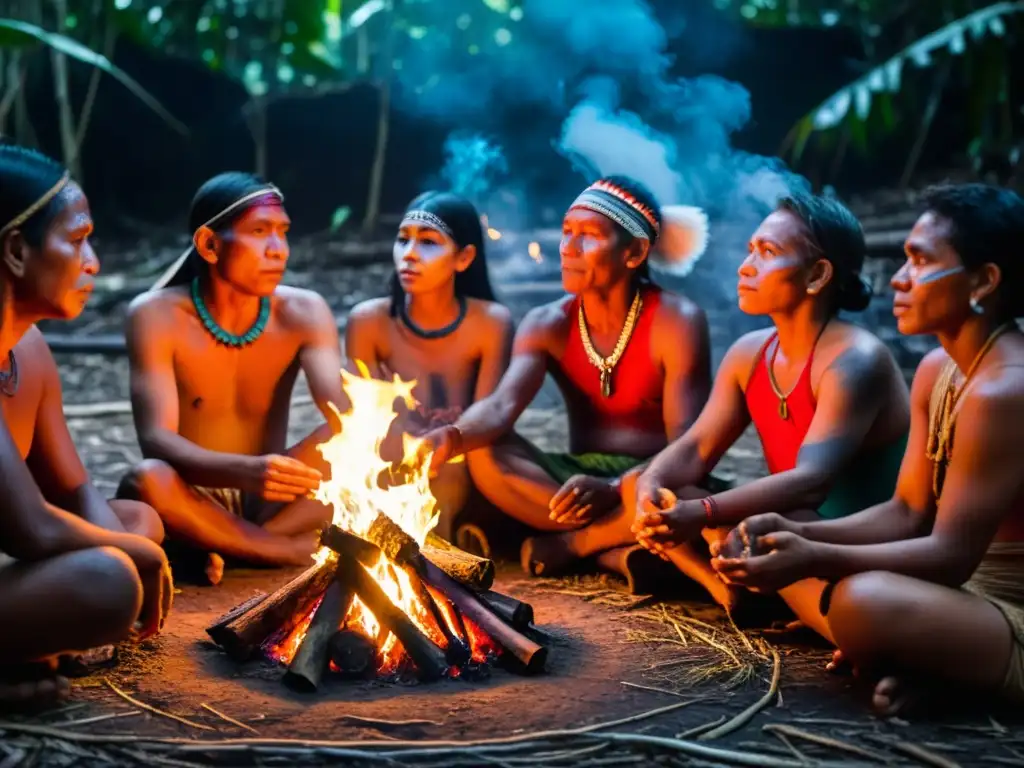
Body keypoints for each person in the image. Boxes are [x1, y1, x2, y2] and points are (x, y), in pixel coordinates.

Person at [712, 183, 1024, 715]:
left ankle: (955, 672)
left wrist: (815, 554)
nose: (898, 280)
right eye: (904, 259)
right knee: (774, 540)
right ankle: (940, 669)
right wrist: (798, 531)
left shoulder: (1005, 388)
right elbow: (907, 512)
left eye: (921, 262)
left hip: (1009, 608)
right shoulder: (938, 370)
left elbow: (948, 556)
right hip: (963, 596)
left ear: (983, 281)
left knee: (859, 603)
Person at [424, 176, 713, 584]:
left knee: (677, 500)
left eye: (588, 235)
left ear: (634, 251)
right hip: (570, 489)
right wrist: (452, 437)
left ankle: (576, 547)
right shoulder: (547, 323)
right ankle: (613, 546)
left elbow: (690, 447)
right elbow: (502, 405)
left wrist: (615, 487)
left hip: (654, 479)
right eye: (566, 232)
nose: (568, 248)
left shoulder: (677, 321)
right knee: (483, 452)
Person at [632, 194, 910, 616]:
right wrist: (651, 486)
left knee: (730, 521)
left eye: (768, 252)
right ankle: (749, 584)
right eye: (750, 251)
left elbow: (812, 480)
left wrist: (702, 512)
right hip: (786, 524)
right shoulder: (750, 353)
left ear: (817, 275)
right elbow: (696, 449)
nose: (746, 267)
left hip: (856, 543)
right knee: (664, 489)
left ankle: (831, 617)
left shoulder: (855, 359)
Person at [0, 145, 172, 710]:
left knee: (138, 520)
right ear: (16, 250)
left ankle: (30, 642)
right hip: (19, 540)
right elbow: (32, 531)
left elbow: (72, 490)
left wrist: (130, 545)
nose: (93, 261)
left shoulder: (27, 348)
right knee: (110, 578)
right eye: (76, 242)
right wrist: (131, 559)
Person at [118, 172, 345, 585]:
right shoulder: (155, 315)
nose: (278, 250)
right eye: (260, 232)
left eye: (283, 233)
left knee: (373, 443)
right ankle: (281, 551)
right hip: (192, 493)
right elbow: (157, 438)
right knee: (146, 479)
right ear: (209, 244)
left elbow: (347, 416)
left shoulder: (305, 311)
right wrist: (244, 470)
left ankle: (229, 545)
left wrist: (390, 420)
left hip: (273, 499)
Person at [345, 192, 513, 541]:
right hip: (388, 455)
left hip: (462, 457)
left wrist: (442, 448)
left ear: (464, 257)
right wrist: (403, 450)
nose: (409, 254)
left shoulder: (491, 324)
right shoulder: (368, 321)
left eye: (428, 243)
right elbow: (366, 420)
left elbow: (489, 417)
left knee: (453, 472)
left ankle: (436, 561)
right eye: (403, 239)